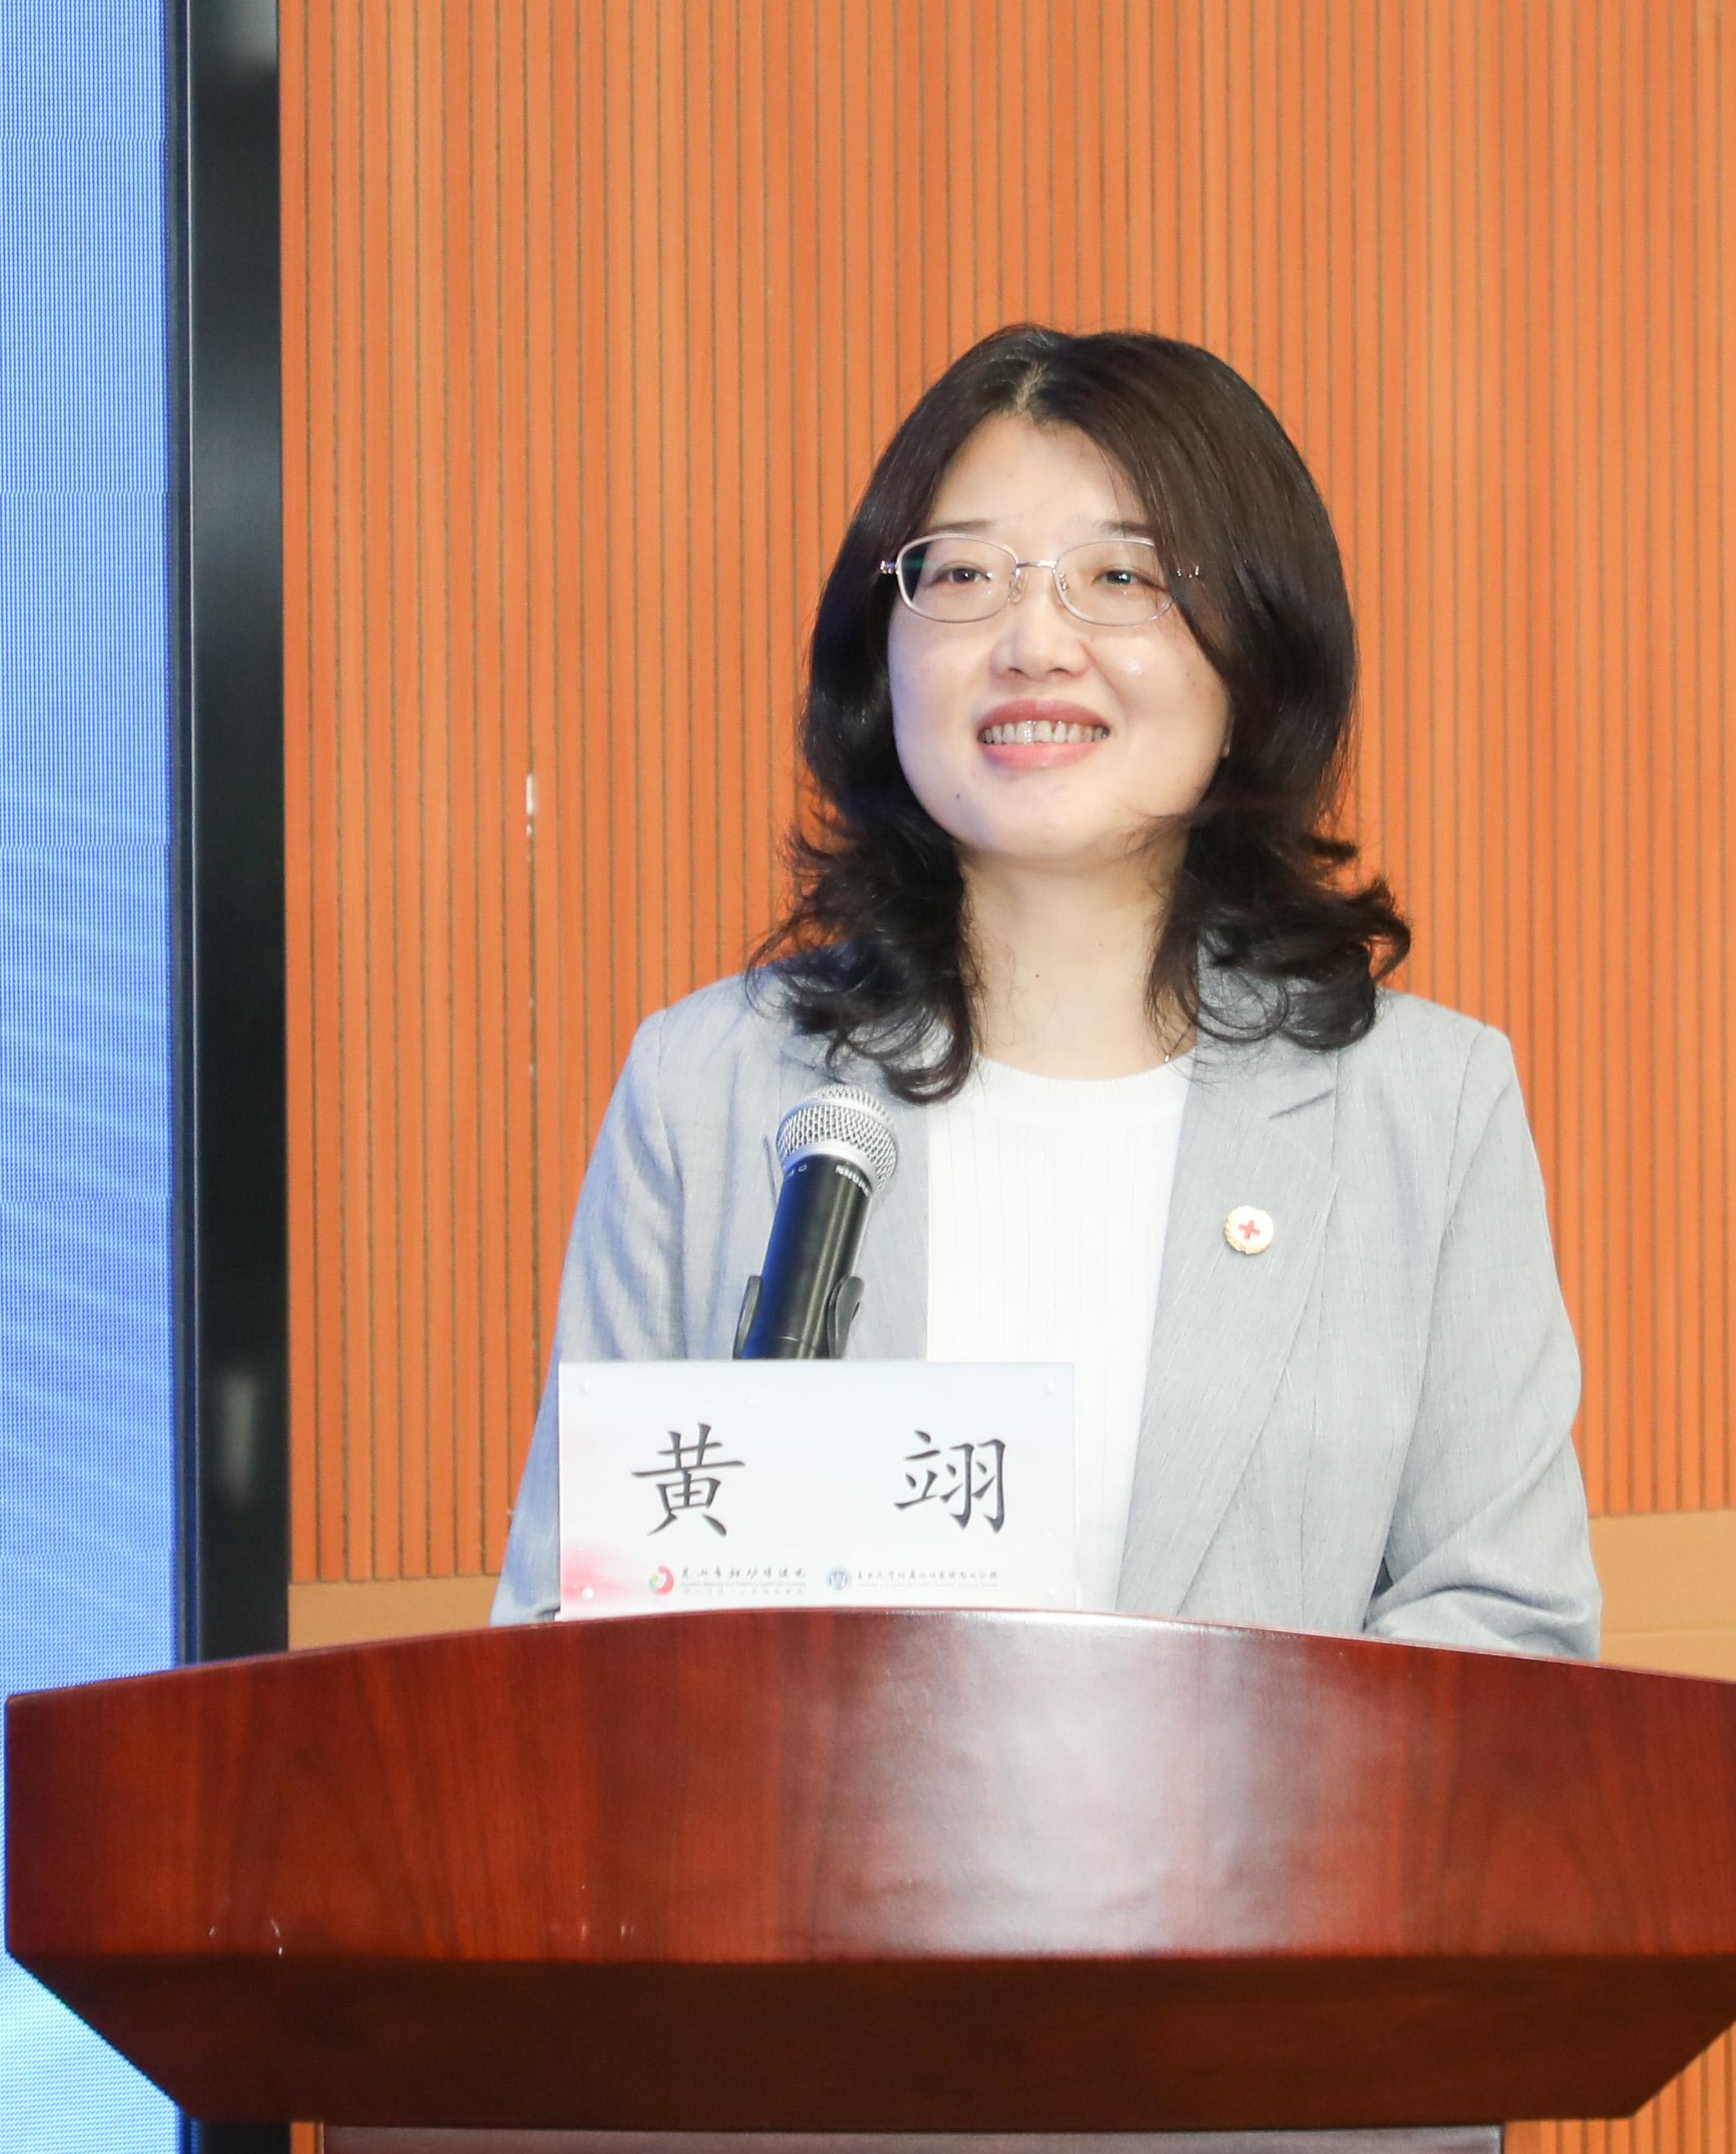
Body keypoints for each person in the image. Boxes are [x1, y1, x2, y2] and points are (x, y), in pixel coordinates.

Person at [490, 325, 1598, 1656]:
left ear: (1253, 652)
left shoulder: (1424, 1110)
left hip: (1278, 1814)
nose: (1033, 641)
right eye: (962, 573)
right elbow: (562, 1639)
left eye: (1120, 576)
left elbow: (1507, 1626)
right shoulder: (709, 1088)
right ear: (881, 651)